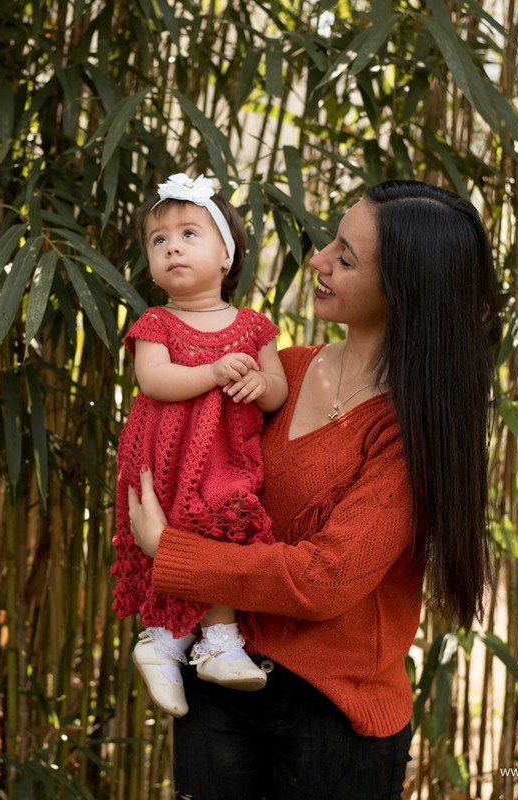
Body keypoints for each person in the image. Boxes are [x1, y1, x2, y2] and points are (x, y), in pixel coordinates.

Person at [128, 179, 500, 798]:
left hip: (332, 719)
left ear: (403, 292)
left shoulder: (411, 436)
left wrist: (172, 555)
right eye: (332, 240)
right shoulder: (283, 371)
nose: (317, 259)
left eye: (345, 258)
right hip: (221, 680)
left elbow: (324, 576)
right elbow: (195, 463)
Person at [112, 173, 290, 719]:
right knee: (173, 536)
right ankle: (164, 640)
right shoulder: (156, 322)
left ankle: (218, 642)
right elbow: (155, 382)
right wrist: (213, 371)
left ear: (226, 256)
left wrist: (260, 386)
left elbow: (276, 388)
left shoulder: (254, 326)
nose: (171, 248)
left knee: (226, 531)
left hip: (225, 457)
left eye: (189, 234)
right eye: (158, 240)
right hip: (165, 457)